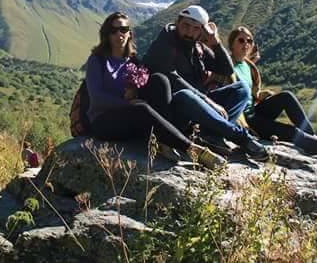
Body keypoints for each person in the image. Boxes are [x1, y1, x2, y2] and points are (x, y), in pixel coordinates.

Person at [85, 12, 226, 169]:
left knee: (160, 80)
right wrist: (128, 103)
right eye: (113, 30)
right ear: (106, 34)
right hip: (103, 121)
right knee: (141, 108)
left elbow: (145, 87)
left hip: (129, 116)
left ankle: (164, 141)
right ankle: (194, 150)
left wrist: (137, 94)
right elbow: (97, 98)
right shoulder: (97, 60)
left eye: (124, 29)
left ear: (129, 33)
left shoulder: (132, 60)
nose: (119, 34)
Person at [143, 5, 269, 161]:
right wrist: (207, 100)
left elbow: (226, 69)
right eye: (186, 26)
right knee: (185, 95)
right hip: (176, 111)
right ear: (177, 22)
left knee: (241, 89)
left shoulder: (198, 47)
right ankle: (242, 138)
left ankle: (211, 135)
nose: (189, 32)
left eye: (195, 28)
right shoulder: (164, 44)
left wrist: (215, 42)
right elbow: (174, 80)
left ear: (201, 31)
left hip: (201, 107)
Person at [227, 25, 317, 158]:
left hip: (255, 111)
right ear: (232, 44)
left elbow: (252, 91)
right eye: (241, 40)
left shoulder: (248, 66)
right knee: (292, 132)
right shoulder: (227, 65)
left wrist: (262, 95)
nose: (246, 44)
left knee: (286, 96)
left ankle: (312, 138)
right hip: (246, 120)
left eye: (249, 41)